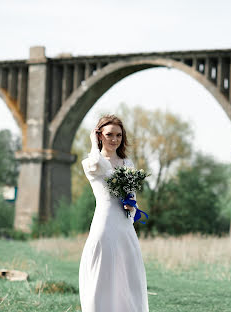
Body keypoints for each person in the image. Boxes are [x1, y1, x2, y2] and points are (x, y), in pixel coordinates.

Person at [78, 114, 149, 312]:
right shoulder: (90, 162)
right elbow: (96, 164)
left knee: (128, 271)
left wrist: (131, 205)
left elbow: (132, 196)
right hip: (104, 222)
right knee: (102, 271)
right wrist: (93, 143)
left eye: (118, 135)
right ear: (100, 135)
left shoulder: (127, 163)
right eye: (109, 134)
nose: (114, 139)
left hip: (124, 224)